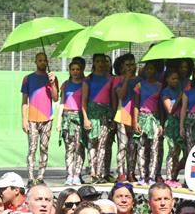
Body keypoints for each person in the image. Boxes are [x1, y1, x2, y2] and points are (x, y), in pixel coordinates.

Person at [21, 52, 59, 187]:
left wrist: (53, 83)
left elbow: (55, 98)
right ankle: (31, 177)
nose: (42, 62)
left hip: (47, 118)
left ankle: (41, 176)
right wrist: (24, 120)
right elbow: (24, 100)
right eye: (40, 60)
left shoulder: (52, 78)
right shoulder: (28, 79)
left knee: (44, 148)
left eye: (44, 60)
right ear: (35, 62)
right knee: (32, 148)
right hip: (32, 118)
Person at [58, 56, 92, 186]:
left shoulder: (85, 83)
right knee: (69, 148)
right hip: (67, 118)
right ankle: (69, 175)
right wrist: (59, 122)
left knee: (79, 147)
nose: (75, 71)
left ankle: (77, 174)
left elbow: (85, 102)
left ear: (82, 70)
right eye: (73, 69)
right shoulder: (66, 85)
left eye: (78, 69)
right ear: (69, 70)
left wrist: (85, 119)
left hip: (79, 117)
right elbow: (62, 102)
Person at [85, 54, 114, 184]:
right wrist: (86, 118)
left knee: (103, 143)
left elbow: (113, 99)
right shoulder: (88, 79)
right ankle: (92, 172)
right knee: (92, 143)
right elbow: (83, 101)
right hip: (92, 113)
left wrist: (113, 117)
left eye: (103, 61)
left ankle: (100, 172)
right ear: (94, 63)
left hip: (105, 114)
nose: (101, 64)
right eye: (98, 61)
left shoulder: (110, 79)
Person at [113, 54, 139, 183]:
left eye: (132, 64)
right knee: (122, 146)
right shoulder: (119, 80)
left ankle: (131, 172)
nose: (130, 67)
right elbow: (121, 95)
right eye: (127, 65)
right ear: (122, 67)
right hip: (122, 115)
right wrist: (127, 79)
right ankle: (121, 173)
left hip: (135, 117)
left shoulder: (140, 80)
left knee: (133, 146)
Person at [161, 70, 187, 186]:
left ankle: (174, 175)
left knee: (180, 151)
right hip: (172, 124)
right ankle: (169, 177)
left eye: (177, 79)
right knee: (173, 151)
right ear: (167, 79)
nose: (175, 81)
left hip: (182, 123)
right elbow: (170, 110)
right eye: (173, 79)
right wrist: (180, 97)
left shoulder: (179, 90)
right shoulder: (166, 92)